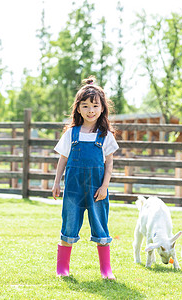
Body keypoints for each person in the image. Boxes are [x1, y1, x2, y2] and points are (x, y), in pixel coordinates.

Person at [52, 76, 119, 280]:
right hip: (73, 188)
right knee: (69, 225)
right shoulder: (71, 133)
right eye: (86, 106)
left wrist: (105, 186)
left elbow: (109, 163)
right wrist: (56, 183)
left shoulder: (105, 135)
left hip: (97, 188)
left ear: (102, 108)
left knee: (101, 226)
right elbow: (63, 160)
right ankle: (62, 269)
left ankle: (106, 271)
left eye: (95, 106)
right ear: (78, 109)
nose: (91, 110)